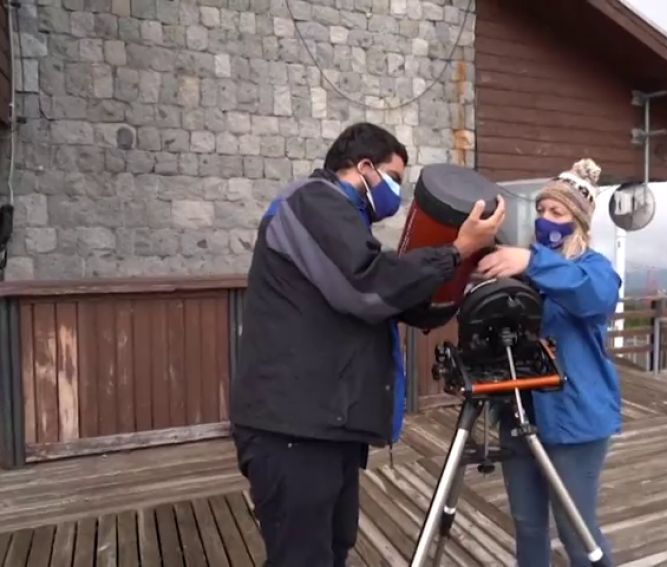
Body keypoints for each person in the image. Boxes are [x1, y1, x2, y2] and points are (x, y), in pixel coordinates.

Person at [229, 122, 506, 567]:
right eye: (394, 177)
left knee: (332, 548)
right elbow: (366, 287)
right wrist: (453, 251)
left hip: (324, 426)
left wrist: (460, 271)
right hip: (292, 428)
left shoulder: (343, 221)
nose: (397, 191)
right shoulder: (309, 203)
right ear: (363, 168)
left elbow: (388, 296)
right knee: (301, 558)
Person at [477, 158, 622, 566]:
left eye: (557, 212)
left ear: (578, 221)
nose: (545, 220)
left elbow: (594, 297)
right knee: (528, 526)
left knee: (577, 530)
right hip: (519, 411)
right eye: (541, 210)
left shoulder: (593, 269)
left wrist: (531, 262)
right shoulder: (523, 269)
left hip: (575, 419)